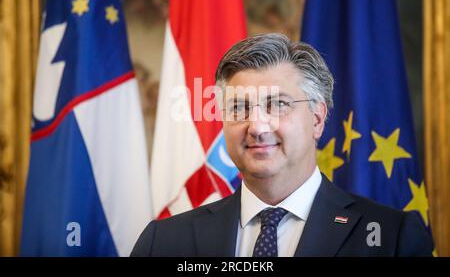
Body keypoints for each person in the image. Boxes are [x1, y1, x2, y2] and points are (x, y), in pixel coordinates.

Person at [131, 33, 433, 257]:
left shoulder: (392, 238)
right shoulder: (164, 241)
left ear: (316, 119)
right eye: (239, 108)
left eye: (277, 105)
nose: (258, 126)